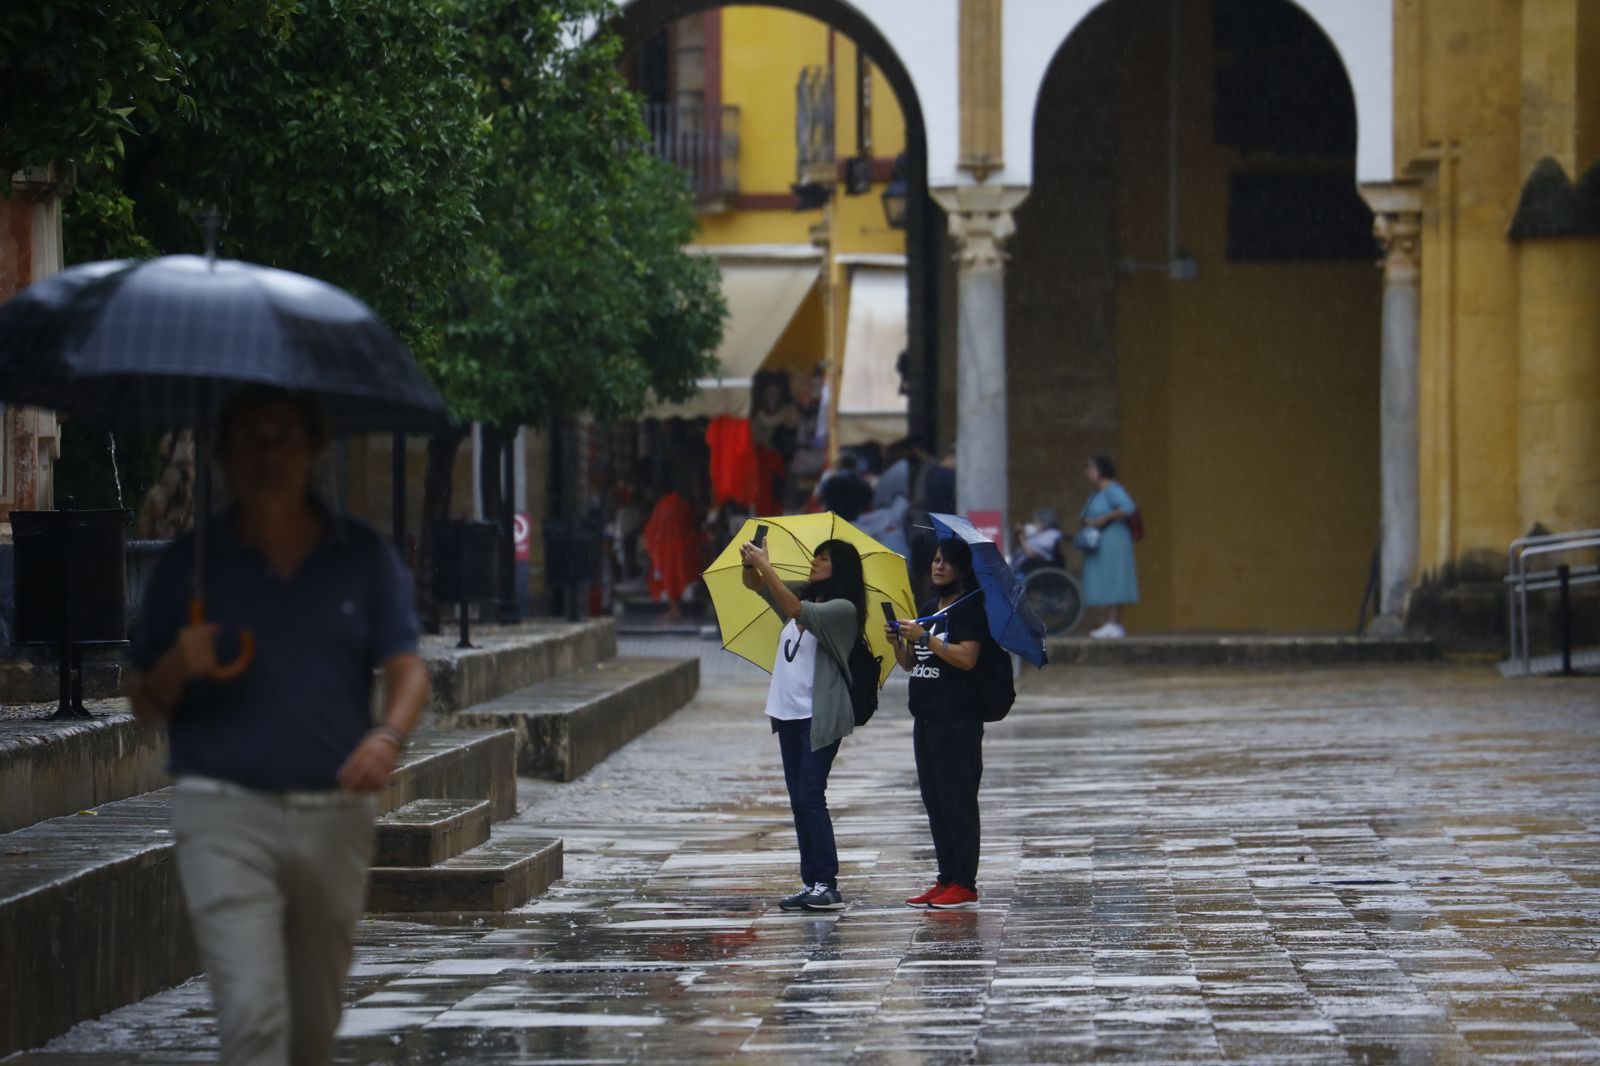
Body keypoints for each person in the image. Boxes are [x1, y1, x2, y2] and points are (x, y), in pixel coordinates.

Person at [127, 386, 429, 1066]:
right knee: (252, 1020)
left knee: (311, 1028)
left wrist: (387, 738)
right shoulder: (189, 565)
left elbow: (409, 670)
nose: (271, 455)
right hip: (222, 812)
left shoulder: (362, 557)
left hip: (333, 813)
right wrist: (178, 663)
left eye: (286, 436)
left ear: (315, 446)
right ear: (226, 455)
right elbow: (143, 699)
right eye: (253, 441)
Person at [740, 533, 865, 913]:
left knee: (811, 795)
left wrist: (768, 568)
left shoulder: (844, 609)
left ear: (839, 568)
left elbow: (795, 610)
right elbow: (755, 585)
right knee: (798, 800)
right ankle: (811, 881)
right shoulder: (808, 597)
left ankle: (827, 882)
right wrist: (752, 561)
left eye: (823, 558)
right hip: (788, 713)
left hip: (818, 715)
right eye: (815, 556)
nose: (815, 562)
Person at [886, 538, 988, 910]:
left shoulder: (970, 610)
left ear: (962, 569)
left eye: (947, 561)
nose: (938, 566)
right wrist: (901, 642)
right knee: (934, 800)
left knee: (958, 800)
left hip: (958, 720)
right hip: (925, 718)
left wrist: (926, 636)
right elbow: (911, 665)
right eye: (935, 560)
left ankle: (965, 882)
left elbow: (967, 659)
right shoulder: (929, 608)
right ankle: (946, 876)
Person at [1079, 455, 1139, 638]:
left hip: (1114, 540)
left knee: (1114, 578)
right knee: (1105, 578)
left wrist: (1105, 518)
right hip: (1103, 542)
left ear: (1099, 471)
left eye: (1090, 469)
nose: (1087, 473)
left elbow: (1128, 507)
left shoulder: (1112, 489)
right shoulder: (1097, 493)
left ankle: (1114, 622)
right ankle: (1110, 621)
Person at [818, 452, 872, 521]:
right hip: (854, 523)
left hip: (833, 521)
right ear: (854, 465)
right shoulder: (863, 483)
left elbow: (820, 499)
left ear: (839, 465)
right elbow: (867, 506)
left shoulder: (831, 480)